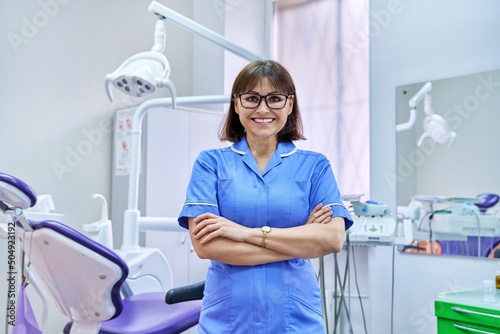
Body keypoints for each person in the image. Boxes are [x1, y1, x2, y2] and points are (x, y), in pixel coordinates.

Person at [178, 59, 353, 333]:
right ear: (236, 105)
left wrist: (244, 233)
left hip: (295, 319)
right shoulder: (210, 163)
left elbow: (332, 239)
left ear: (290, 105)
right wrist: (300, 239)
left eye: (274, 99)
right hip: (228, 319)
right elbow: (206, 246)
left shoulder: (315, 166)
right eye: (251, 98)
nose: (263, 109)